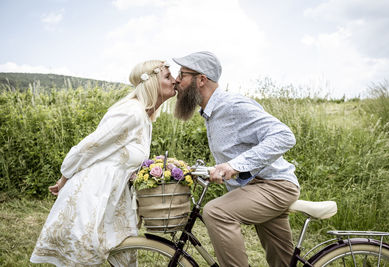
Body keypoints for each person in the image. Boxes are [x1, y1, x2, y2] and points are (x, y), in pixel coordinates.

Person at [30, 60, 176, 266]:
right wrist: (65, 177)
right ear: (151, 83)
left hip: (114, 196)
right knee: (86, 257)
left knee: (123, 254)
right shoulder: (131, 112)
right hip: (94, 193)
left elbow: (121, 156)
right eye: (168, 77)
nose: (175, 81)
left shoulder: (144, 116)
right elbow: (89, 146)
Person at [173, 51, 300, 267]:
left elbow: (284, 136)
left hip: (275, 187)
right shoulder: (211, 113)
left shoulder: (232, 106)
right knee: (283, 262)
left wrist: (235, 165)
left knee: (216, 212)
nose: (177, 80)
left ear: (201, 79)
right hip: (255, 189)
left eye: (182, 74)